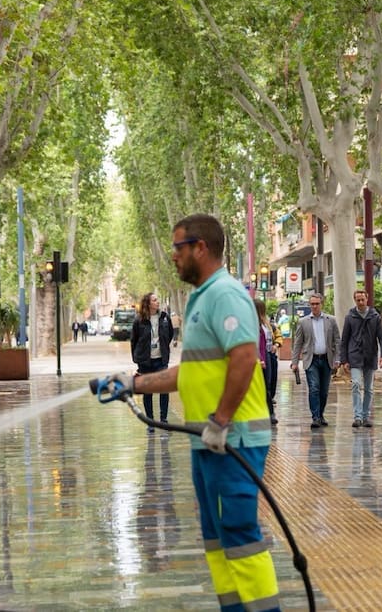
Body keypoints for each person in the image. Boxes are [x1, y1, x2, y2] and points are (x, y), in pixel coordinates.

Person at [95, 214, 279, 611]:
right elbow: (191, 373)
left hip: (234, 440)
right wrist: (133, 383)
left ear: (201, 247)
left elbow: (245, 359)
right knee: (216, 538)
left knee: (240, 535)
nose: (173, 256)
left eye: (178, 248)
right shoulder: (200, 299)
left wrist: (221, 420)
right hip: (208, 440)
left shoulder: (225, 295)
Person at [338, 289, 382, 428]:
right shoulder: (350, 317)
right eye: (358, 300)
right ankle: (358, 416)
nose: (360, 302)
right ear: (355, 301)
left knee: (369, 388)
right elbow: (345, 340)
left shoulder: (375, 316)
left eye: (362, 300)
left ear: (367, 300)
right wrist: (344, 360)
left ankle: (366, 416)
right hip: (355, 356)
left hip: (370, 356)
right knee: (355, 385)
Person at [290, 293, 340, 430]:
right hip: (311, 359)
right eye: (312, 304)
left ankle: (321, 414)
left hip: (326, 359)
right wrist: (294, 362)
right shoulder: (303, 322)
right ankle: (315, 417)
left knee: (324, 391)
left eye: (317, 304)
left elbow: (337, 340)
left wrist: (338, 359)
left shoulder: (331, 320)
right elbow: (298, 343)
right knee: (314, 388)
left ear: (321, 304)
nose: (314, 306)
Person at [131, 292, 174, 433]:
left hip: (161, 360)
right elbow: (134, 341)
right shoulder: (139, 320)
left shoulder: (165, 317)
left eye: (157, 299)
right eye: (154, 300)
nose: (157, 302)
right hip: (145, 361)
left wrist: (163, 349)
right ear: (148, 304)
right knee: (147, 391)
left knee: (164, 389)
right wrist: (137, 358)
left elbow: (170, 335)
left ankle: (164, 420)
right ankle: (150, 421)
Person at [255, 299, 280, 425]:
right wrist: (260, 359)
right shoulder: (253, 324)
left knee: (268, 385)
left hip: (269, 356)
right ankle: (268, 413)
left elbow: (275, 336)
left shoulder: (267, 324)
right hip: (260, 358)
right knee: (262, 386)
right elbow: (256, 344)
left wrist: (276, 345)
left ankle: (268, 412)